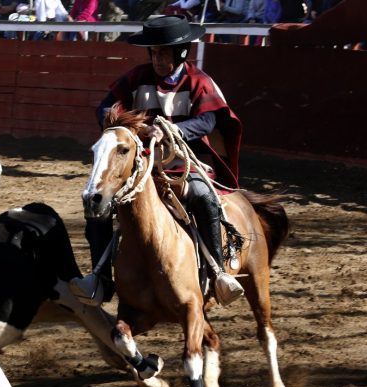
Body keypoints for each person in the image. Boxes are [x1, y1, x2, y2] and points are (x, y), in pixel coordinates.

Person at [70, 15, 245, 307]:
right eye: (153, 52)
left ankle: (217, 274)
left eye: (163, 52)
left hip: (184, 163)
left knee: (203, 197)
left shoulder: (199, 81)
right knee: (97, 203)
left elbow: (208, 121)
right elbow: (105, 109)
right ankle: (100, 278)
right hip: (140, 166)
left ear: (181, 52)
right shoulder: (136, 77)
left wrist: (174, 130)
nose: (157, 58)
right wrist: (128, 128)